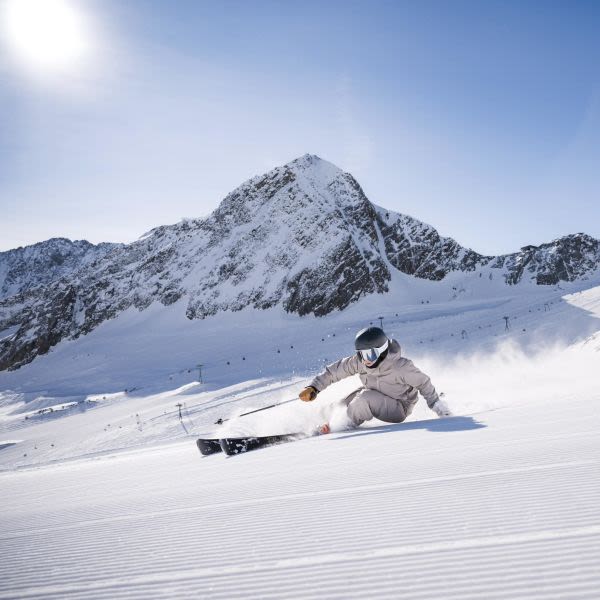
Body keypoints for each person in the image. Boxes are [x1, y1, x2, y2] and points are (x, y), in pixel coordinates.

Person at [299, 326, 452, 431]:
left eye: (370, 354)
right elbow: (335, 371)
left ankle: (338, 426)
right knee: (342, 404)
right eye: (361, 354)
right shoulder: (361, 363)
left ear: (382, 350)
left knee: (363, 399)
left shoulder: (400, 367)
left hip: (399, 407)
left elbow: (423, 382)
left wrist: (436, 405)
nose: (365, 360)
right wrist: (314, 387)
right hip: (374, 393)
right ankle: (314, 421)